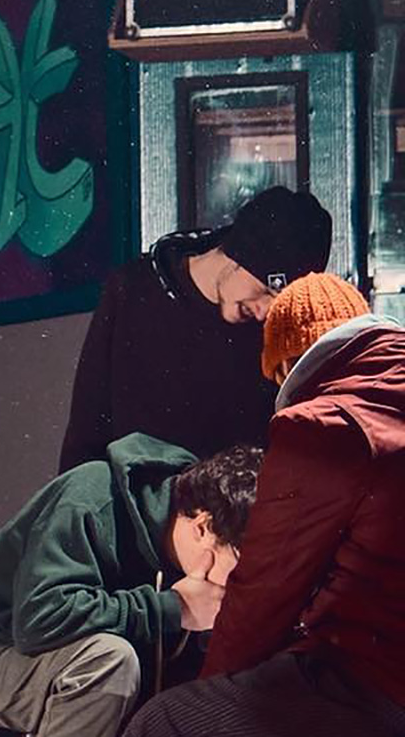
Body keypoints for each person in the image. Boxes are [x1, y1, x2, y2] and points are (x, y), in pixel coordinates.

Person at [122, 274, 405, 737]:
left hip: (377, 681)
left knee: (164, 720)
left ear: (293, 362)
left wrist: (212, 692)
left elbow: (266, 589)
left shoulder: (319, 426)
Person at [0, 436, 263, 737]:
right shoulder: (92, 496)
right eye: (239, 563)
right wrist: (174, 608)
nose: (237, 585)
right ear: (202, 526)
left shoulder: (187, 560)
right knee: (109, 661)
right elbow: (39, 622)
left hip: (55, 681)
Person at [59, 186, 331, 472]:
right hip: (137, 509)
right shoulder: (133, 290)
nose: (264, 312)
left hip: (233, 509)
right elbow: (87, 425)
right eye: (264, 290)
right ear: (237, 256)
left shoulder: (271, 336)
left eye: (277, 304)